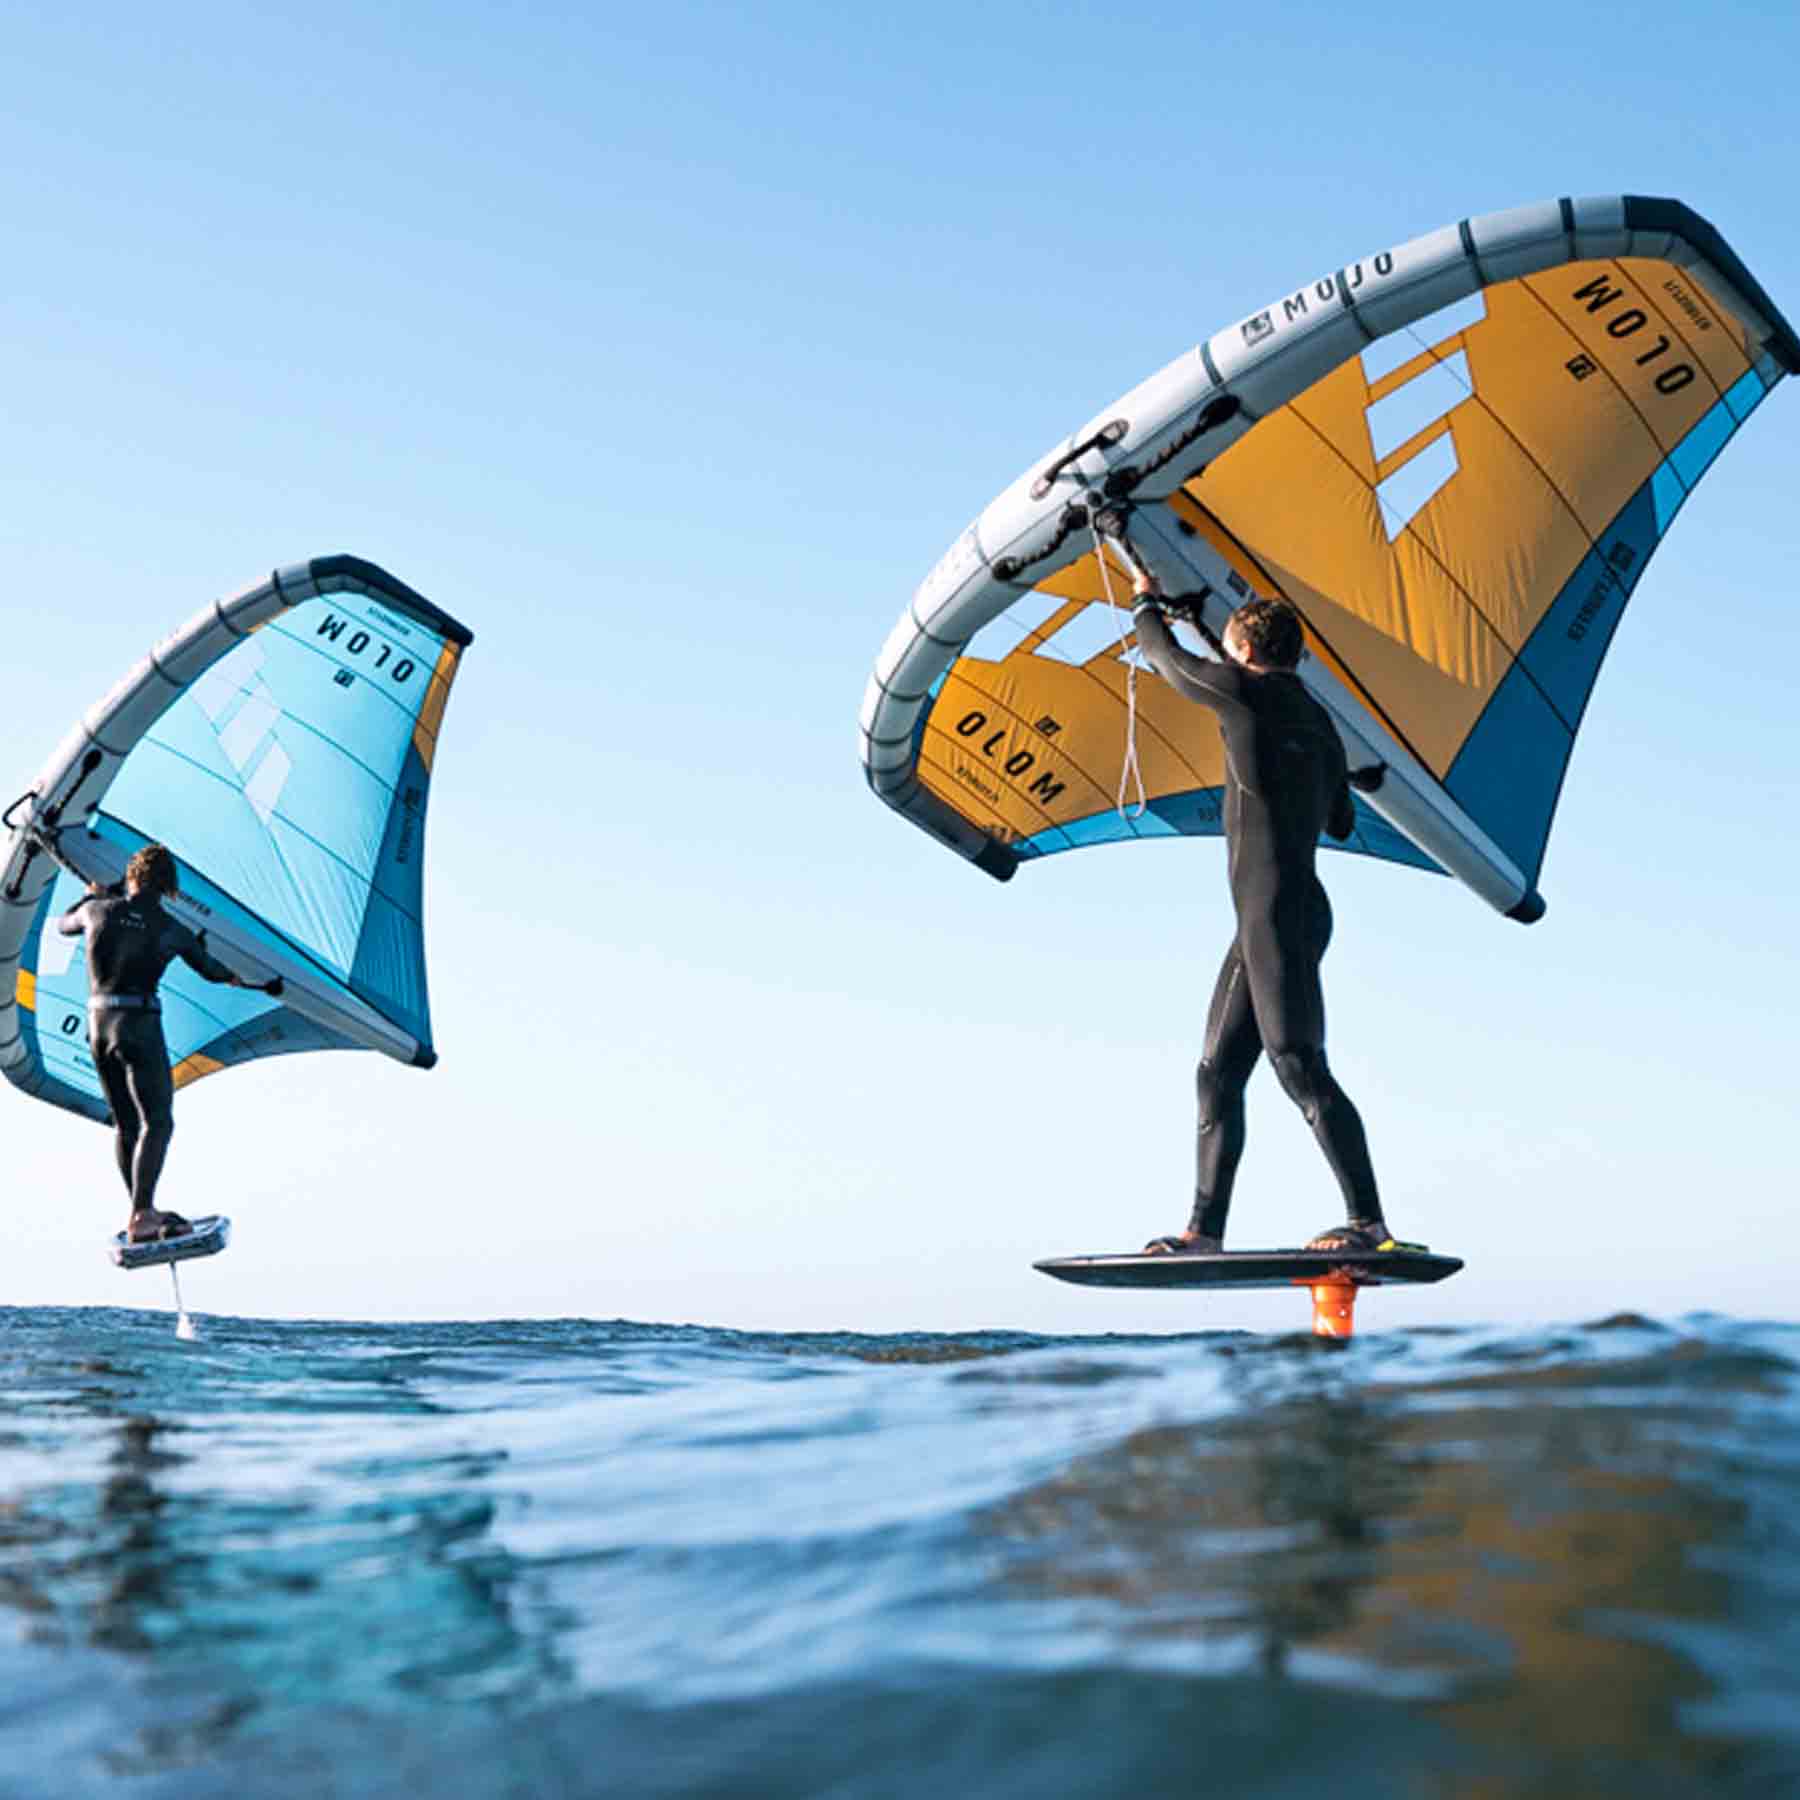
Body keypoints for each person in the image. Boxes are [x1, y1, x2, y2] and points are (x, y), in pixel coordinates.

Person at [1125, 564, 1412, 1256]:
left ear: (1246, 650)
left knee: (1297, 1064)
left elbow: (1165, 659)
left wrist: (1144, 602)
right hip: (1288, 912)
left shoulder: (1242, 693)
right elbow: (1341, 821)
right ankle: (1204, 1232)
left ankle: (1369, 1225)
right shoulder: (1321, 725)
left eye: (1229, 649)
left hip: (1275, 916)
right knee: (1217, 1074)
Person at [57, 843, 281, 1244]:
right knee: (158, 1122)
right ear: (169, 888)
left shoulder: (96, 911)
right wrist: (249, 980)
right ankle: (143, 1213)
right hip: (138, 1026)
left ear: (131, 877)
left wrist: (90, 894)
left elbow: (63, 924)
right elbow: (212, 971)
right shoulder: (171, 930)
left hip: (99, 1026)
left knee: (126, 1124)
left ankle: (140, 1212)